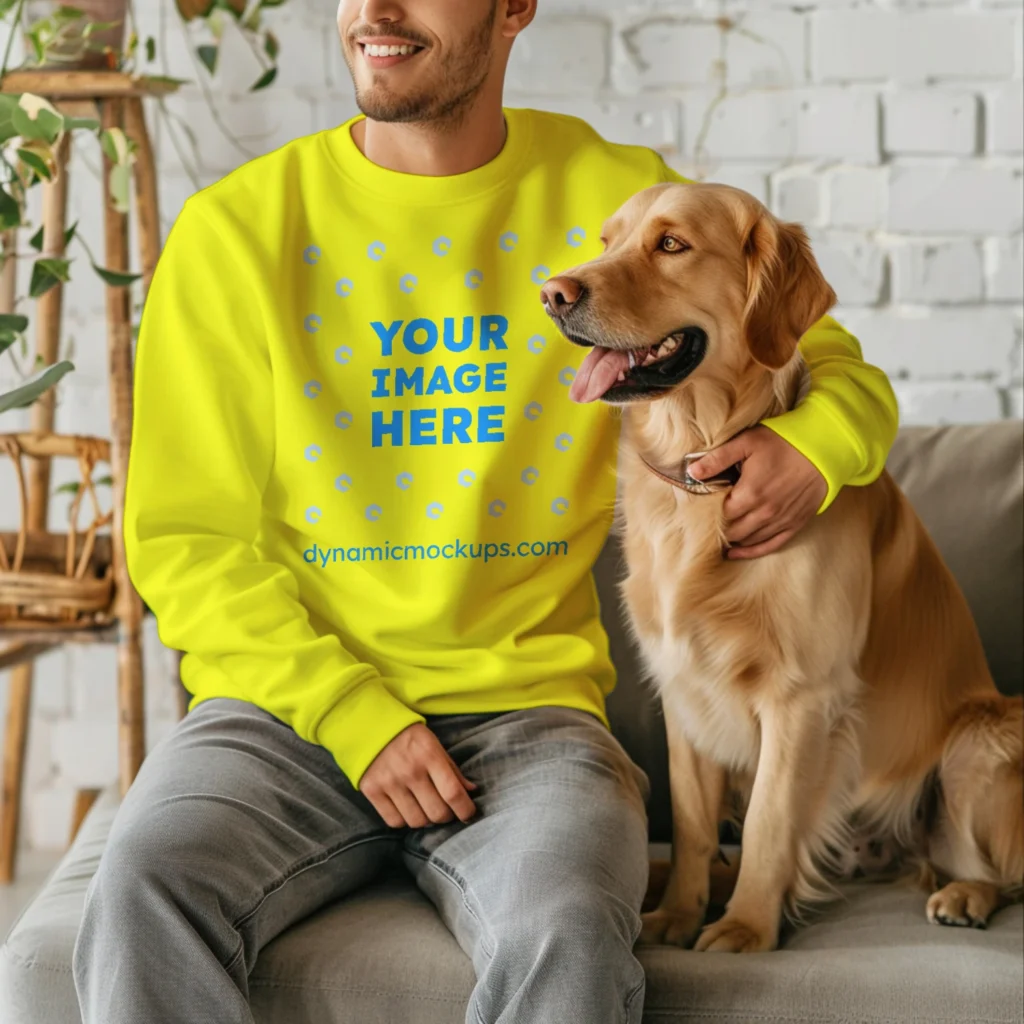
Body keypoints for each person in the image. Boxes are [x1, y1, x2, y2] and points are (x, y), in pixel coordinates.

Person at [72, 2, 898, 1022]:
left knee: (567, 928)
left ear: (513, 9)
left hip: (532, 721)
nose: (375, 10)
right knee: (141, 887)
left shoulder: (610, 198)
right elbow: (184, 543)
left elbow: (833, 366)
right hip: (281, 716)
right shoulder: (236, 231)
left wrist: (812, 450)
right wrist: (354, 718)